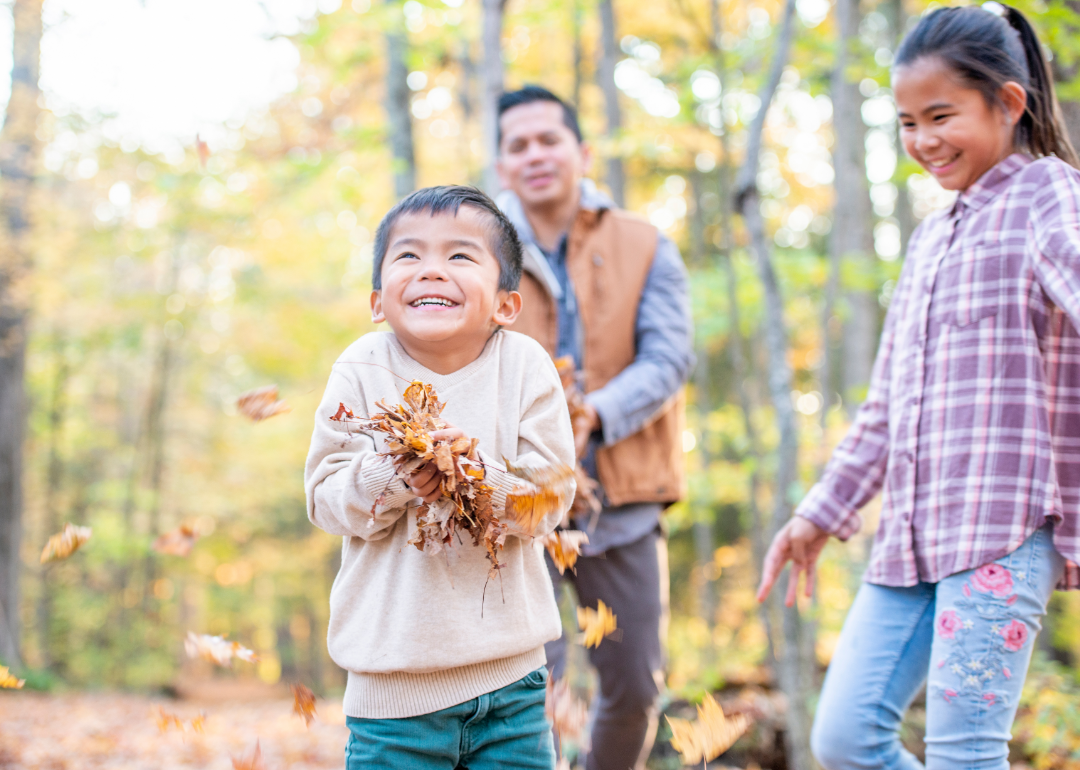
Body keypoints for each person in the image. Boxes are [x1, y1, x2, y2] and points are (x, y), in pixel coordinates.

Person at [757, 6, 1080, 769]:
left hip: (1001, 525)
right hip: (910, 535)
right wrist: (818, 515)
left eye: (942, 116)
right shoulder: (932, 237)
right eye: (907, 122)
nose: (924, 141)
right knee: (844, 739)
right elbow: (884, 409)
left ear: (1008, 102)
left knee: (964, 752)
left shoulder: (1047, 195)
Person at [305, 185, 575, 770]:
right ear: (379, 300)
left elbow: (551, 500)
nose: (431, 271)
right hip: (393, 700)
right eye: (408, 256)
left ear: (506, 302)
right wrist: (395, 473)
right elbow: (326, 499)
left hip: (514, 691)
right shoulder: (360, 369)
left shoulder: (525, 367)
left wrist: (476, 477)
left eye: (459, 256)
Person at [495, 85, 695, 770]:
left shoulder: (645, 243)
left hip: (627, 495)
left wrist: (593, 413)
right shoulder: (479, 251)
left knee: (636, 686)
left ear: (579, 151)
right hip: (516, 502)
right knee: (526, 687)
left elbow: (669, 356)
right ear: (501, 167)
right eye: (517, 145)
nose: (535, 155)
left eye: (548, 139)